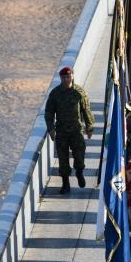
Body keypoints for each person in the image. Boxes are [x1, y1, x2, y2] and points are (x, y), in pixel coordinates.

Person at [44, 66, 94, 194]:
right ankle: (65, 183)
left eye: (68, 76)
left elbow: (86, 110)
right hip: (62, 132)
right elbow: (49, 112)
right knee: (63, 158)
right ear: (60, 78)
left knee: (79, 155)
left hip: (76, 131)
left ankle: (79, 172)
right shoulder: (55, 93)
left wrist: (89, 126)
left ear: (72, 75)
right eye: (64, 77)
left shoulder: (79, 92)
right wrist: (51, 129)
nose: (66, 79)